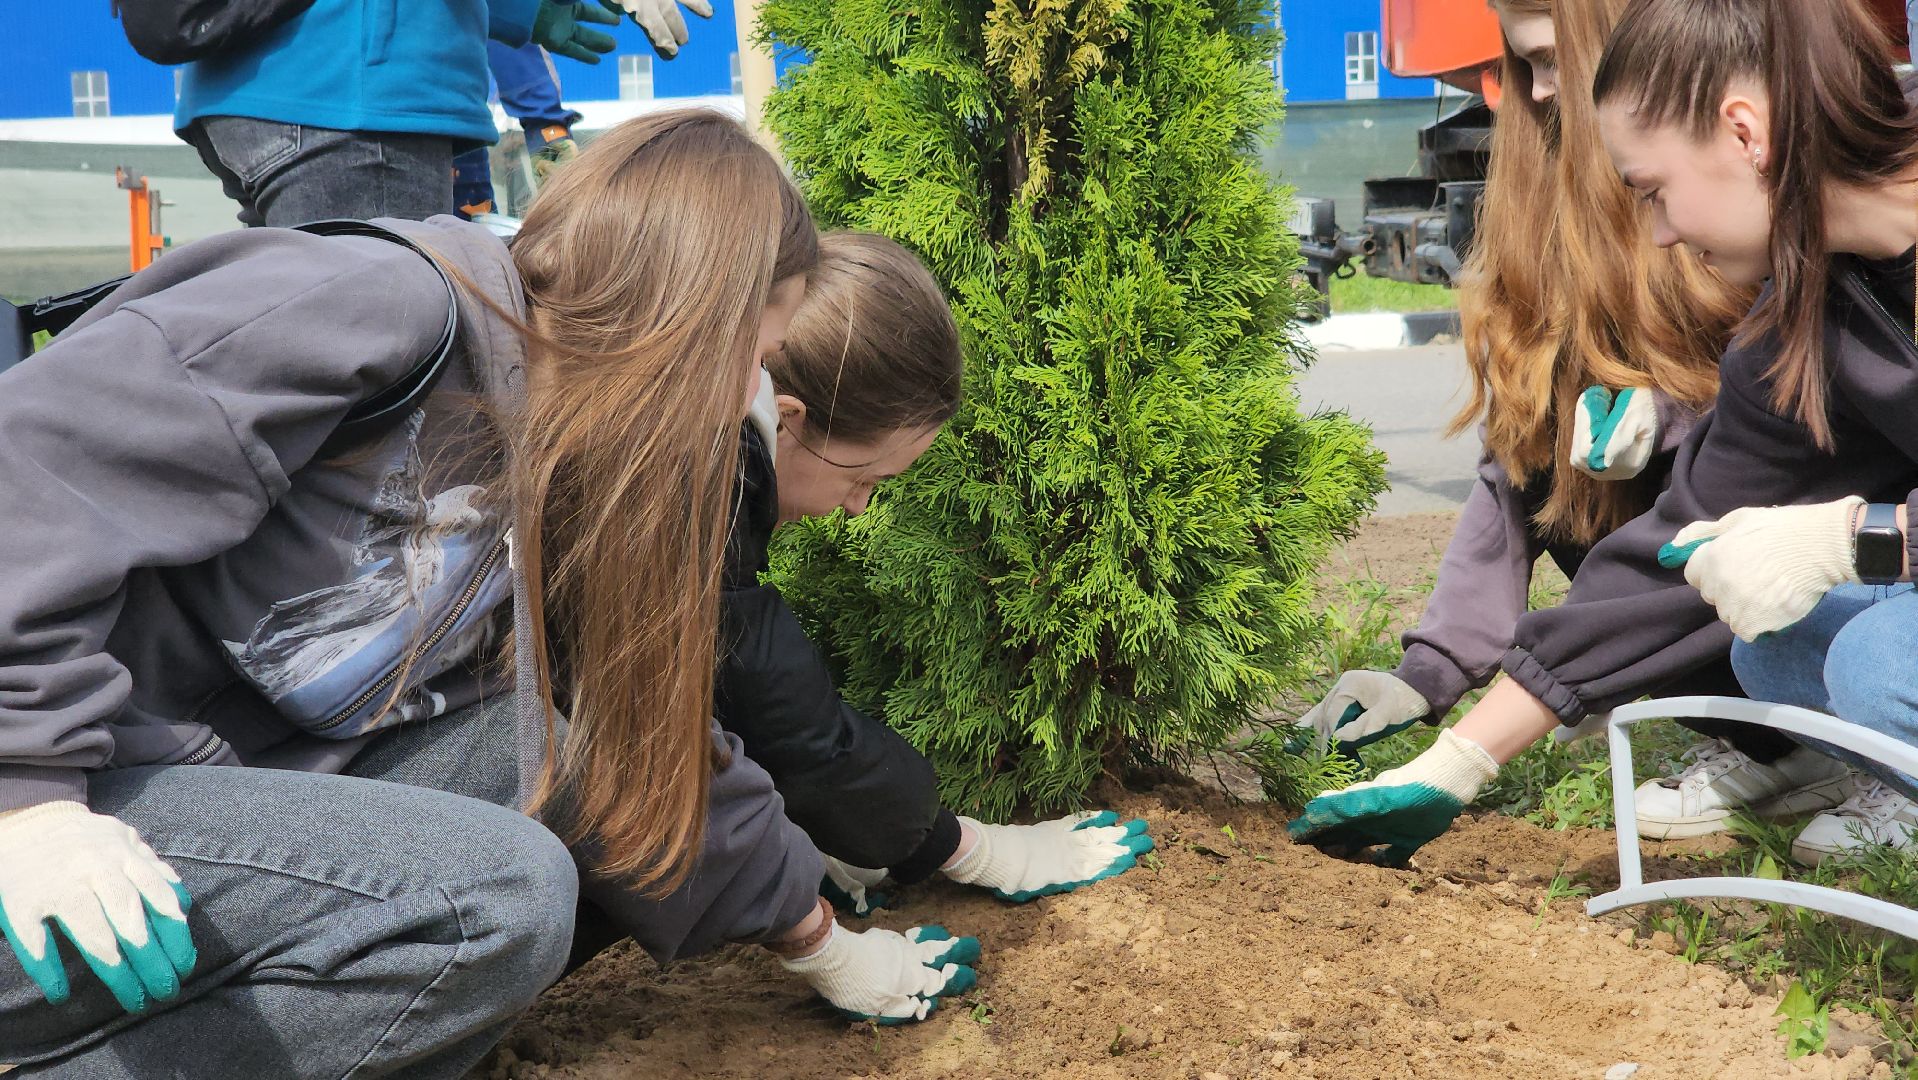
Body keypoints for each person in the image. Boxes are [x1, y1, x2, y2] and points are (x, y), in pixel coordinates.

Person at [0, 110, 954, 1077]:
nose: (745, 393)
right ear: (688, 315)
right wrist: (27, 795)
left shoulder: (573, 451)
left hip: (181, 807)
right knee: (498, 898)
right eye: (753, 352)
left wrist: (819, 941)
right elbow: (28, 470)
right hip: (52, 844)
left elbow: (639, 743)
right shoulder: (378, 306)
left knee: (545, 763)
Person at [1291, 0, 1918, 868]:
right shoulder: (1804, 317)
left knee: (1877, 663)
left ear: (1746, 133)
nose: (1659, 230)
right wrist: (1458, 758)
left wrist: (1867, 537)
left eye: (1656, 191)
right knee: (1779, 654)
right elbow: (1671, 538)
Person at [717, 231, 1155, 917]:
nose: (858, 508)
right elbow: (787, 721)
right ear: (790, 420)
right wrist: (963, 848)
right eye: (863, 477)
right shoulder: (693, 508)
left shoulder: (704, 443)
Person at [175, 0, 620, 228]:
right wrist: (544, 122)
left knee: (303, 343)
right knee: (383, 363)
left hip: (249, 91)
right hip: (358, 107)